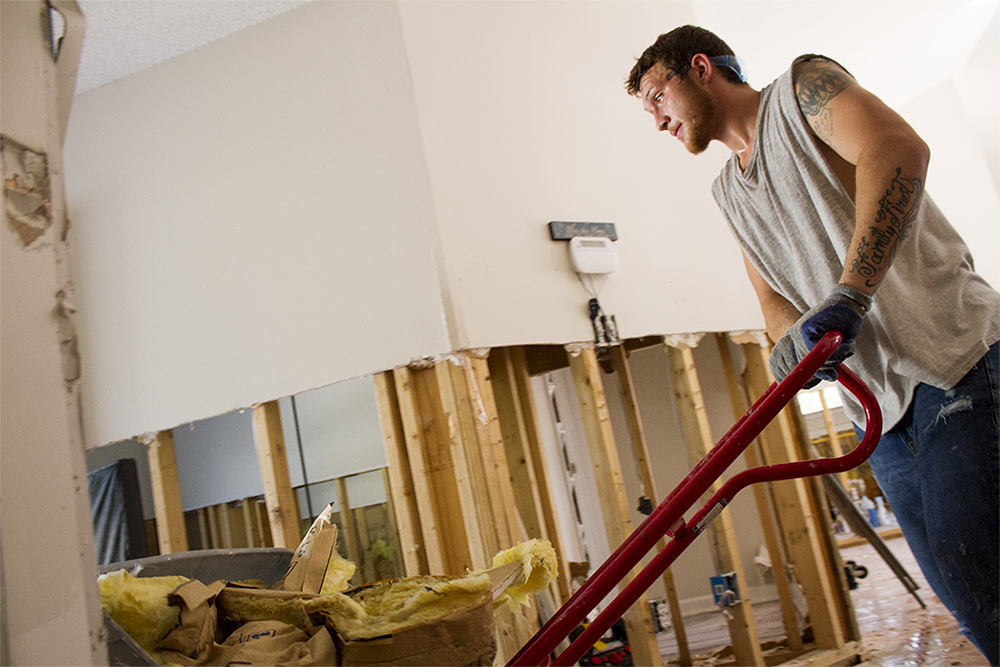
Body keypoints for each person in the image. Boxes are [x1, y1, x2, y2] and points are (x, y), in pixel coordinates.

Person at [625, 25, 999, 662]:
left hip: (955, 362)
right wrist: (787, 346)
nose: (657, 121)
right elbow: (773, 300)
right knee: (969, 607)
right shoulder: (726, 193)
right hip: (881, 418)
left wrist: (851, 293)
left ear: (699, 68)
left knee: (982, 574)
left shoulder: (802, 90)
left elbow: (899, 147)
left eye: (658, 97)